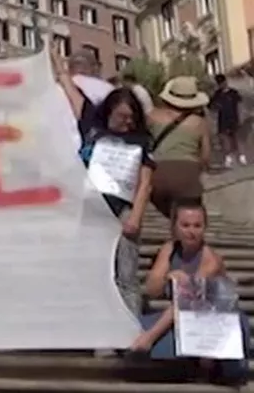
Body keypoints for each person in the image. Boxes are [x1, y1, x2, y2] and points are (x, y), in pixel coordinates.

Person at [52, 40, 154, 316]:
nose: (126, 123)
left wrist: (136, 216)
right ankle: (102, 337)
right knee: (96, 273)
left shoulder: (141, 139)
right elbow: (71, 91)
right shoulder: (91, 126)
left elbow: (146, 181)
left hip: (123, 212)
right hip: (92, 209)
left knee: (127, 276)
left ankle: (131, 335)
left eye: (131, 118)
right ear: (109, 111)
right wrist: (58, 63)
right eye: (122, 116)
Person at [133, 200, 247, 384]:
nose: (191, 231)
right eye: (185, 225)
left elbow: (185, 302)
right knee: (132, 330)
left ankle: (204, 364)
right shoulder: (169, 249)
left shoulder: (210, 260)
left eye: (197, 225)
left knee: (150, 336)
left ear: (205, 228)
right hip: (184, 317)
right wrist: (168, 275)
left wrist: (150, 336)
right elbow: (153, 290)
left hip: (215, 320)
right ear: (175, 227)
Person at [147, 77, 210, 216]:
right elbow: (205, 157)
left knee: (167, 214)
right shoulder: (199, 123)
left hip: (158, 175)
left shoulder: (152, 116)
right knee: (188, 216)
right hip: (188, 175)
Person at [209, 74, 244, 168]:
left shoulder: (233, 93)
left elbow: (239, 105)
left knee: (237, 139)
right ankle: (228, 159)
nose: (222, 85)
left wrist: (241, 117)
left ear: (226, 81)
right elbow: (211, 107)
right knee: (225, 141)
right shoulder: (217, 94)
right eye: (219, 83)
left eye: (223, 82)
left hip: (234, 119)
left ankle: (241, 157)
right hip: (223, 121)